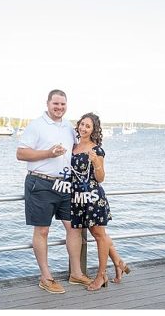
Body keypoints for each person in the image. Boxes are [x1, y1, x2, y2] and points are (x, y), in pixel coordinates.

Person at [17, 89, 91, 294]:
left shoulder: (69, 126)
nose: (59, 107)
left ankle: (76, 273)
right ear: (47, 103)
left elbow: (81, 147)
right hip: (40, 184)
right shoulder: (36, 125)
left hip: (66, 184)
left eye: (63, 104)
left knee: (74, 228)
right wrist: (48, 153)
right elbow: (20, 153)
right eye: (55, 104)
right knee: (42, 231)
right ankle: (46, 277)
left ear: (67, 105)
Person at [70, 112, 130, 291]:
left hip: (93, 197)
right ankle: (119, 263)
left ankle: (101, 275)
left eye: (88, 126)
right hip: (77, 198)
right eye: (82, 124)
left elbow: (101, 177)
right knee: (99, 234)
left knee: (99, 235)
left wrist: (96, 162)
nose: (84, 128)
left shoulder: (97, 150)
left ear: (94, 130)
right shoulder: (73, 145)